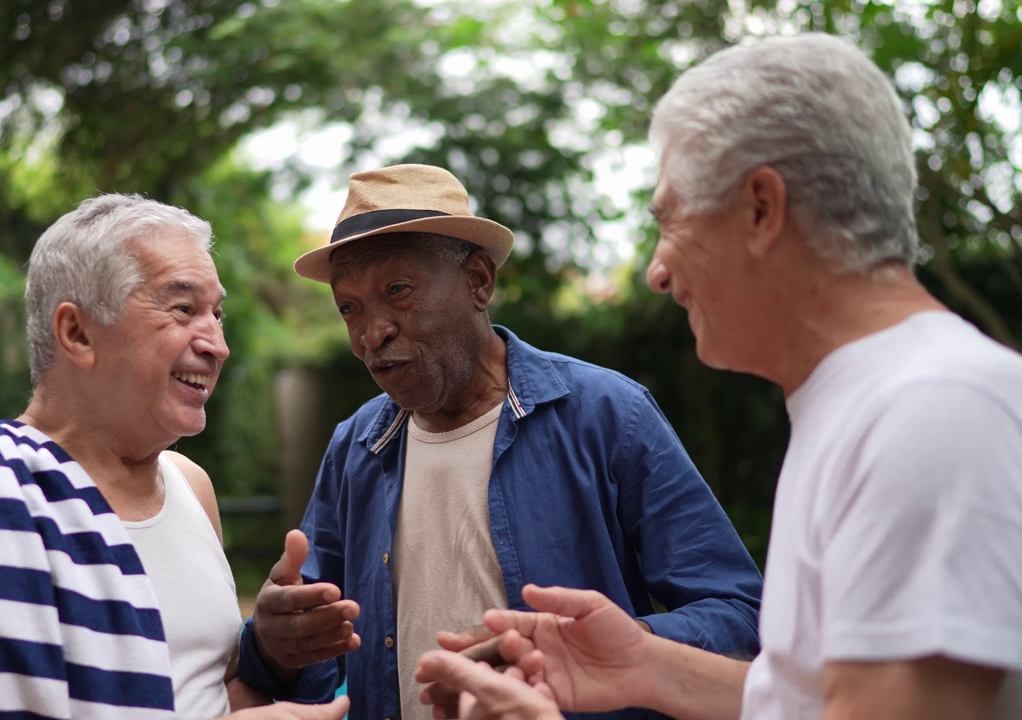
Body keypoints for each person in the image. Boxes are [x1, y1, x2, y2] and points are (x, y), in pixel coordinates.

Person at [414, 33, 1022, 720]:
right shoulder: (875, 404)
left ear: (761, 208)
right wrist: (647, 665)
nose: (657, 270)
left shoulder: (931, 414)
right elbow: (815, 703)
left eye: (670, 220)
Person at [0, 194, 349, 720]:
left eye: (217, 315)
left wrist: (277, 657)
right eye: (182, 309)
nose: (217, 344)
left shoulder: (191, 487)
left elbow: (212, 688)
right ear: (77, 333)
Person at [234, 163, 764, 720]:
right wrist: (275, 645)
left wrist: (613, 648)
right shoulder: (356, 448)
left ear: (479, 282)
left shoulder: (608, 414)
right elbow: (316, 650)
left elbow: (738, 612)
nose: (372, 333)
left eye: (398, 290)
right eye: (350, 308)